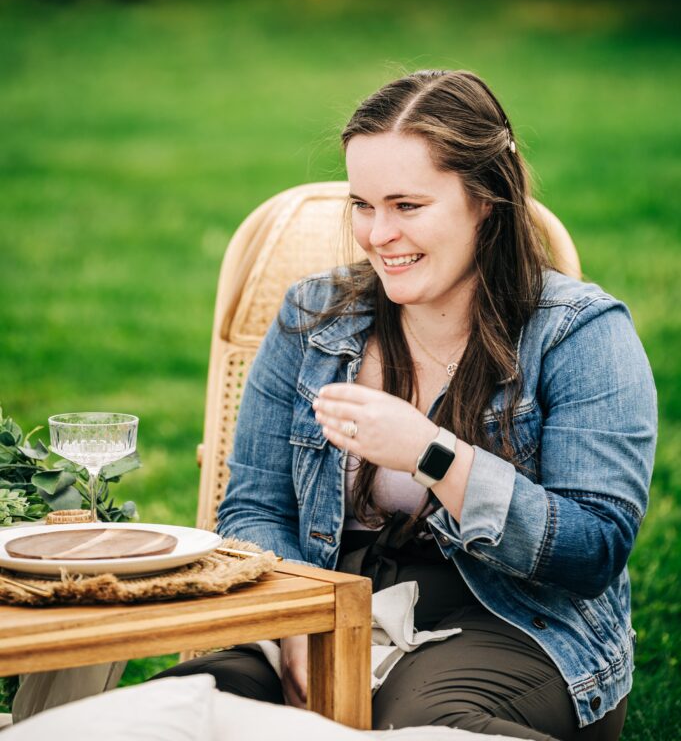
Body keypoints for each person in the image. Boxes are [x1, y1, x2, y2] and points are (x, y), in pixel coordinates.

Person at [156, 70, 656, 741]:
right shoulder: (312, 316)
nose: (376, 233)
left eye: (406, 206)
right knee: (183, 708)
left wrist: (435, 455)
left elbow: (593, 549)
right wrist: (303, 620)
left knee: (424, 728)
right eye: (362, 204)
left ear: (485, 200)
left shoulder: (580, 333)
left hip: (509, 620)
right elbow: (253, 505)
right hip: (324, 593)